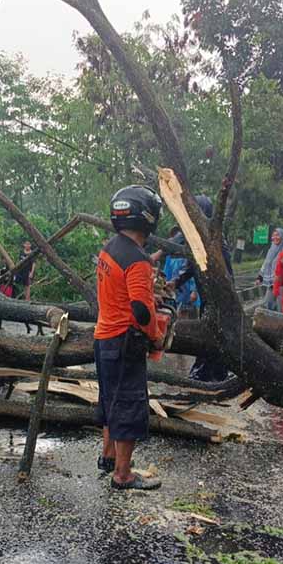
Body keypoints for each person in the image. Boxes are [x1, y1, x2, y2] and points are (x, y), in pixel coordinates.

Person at [94, 184, 165, 490]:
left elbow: (123, 293)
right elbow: (142, 312)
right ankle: (123, 475)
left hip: (104, 337)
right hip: (125, 339)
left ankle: (108, 457)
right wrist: (156, 337)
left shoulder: (110, 248)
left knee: (111, 400)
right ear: (148, 217)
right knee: (128, 405)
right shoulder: (137, 259)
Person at [164, 195, 234, 382]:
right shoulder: (197, 239)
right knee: (211, 333)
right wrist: (176, 282)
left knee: (214, 335)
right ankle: (211, 372)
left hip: (220, 298)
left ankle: (207, 372)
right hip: (208, 298)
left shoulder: (214, 239)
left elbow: (226, 274)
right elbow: (191, 265)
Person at [255, 228, 283, 311]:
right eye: (273, 235)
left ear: (282, 236)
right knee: (268, 304)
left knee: (282, 307)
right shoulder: (271, 249)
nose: (275, 237)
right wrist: (260, 277)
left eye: (277, 235)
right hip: (271, 283)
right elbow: (266, 264)